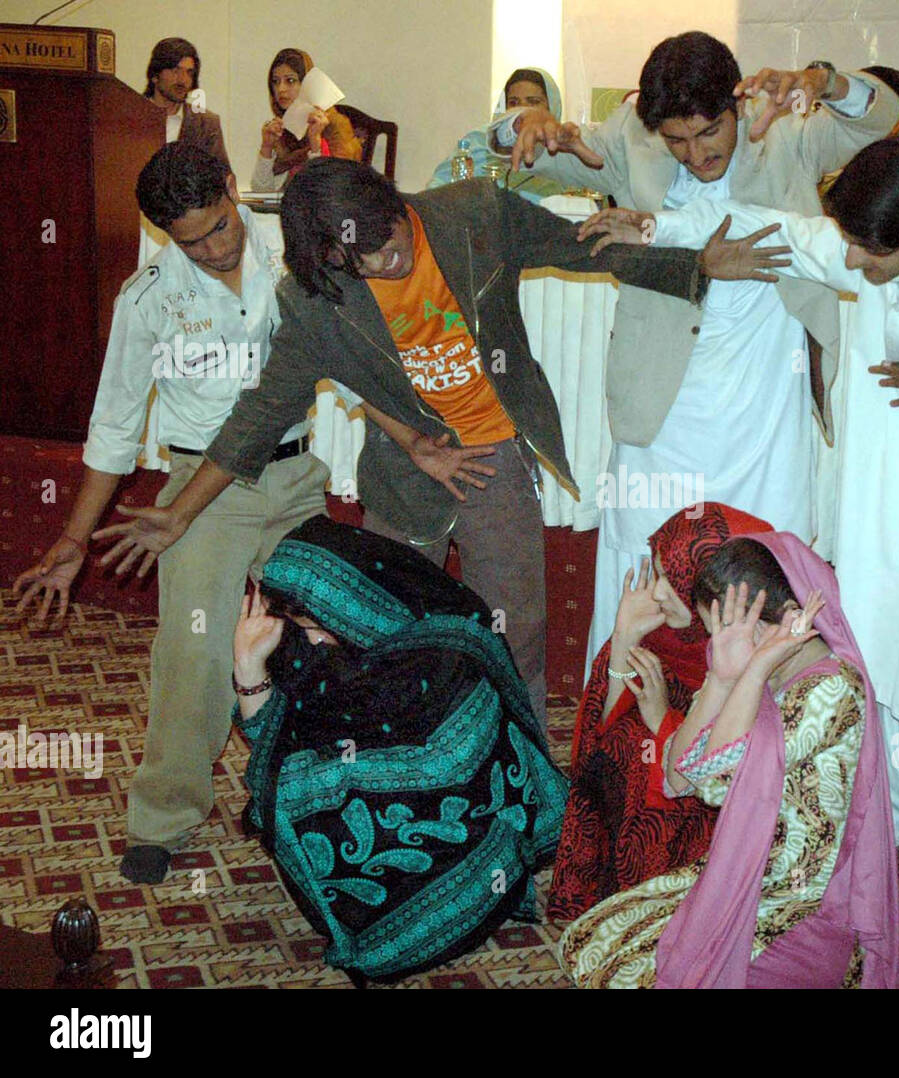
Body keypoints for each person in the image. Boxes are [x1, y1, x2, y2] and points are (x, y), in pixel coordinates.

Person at [580, 138, 899, 951]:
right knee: (884, 687)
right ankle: (881, 845)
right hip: (886, 537)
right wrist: (658, 222)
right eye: (848, 240)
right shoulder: (864, 258)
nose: (847, 259)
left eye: (867, 249)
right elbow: (770, 223)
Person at [89, 159, 724, 727]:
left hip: (493, 455)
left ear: (394, 203)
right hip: (401, 473)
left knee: (515, 632)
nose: (385, 264)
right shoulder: (312, 299)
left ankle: (526, 775)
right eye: (357, 262)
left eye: (388, 244)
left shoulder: (474, 213)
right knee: (389, 634)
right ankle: (411, 772)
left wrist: (695, 265)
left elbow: (583, 247)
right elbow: (259, 414)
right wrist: (178, 513)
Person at [492, 31, 899, 678]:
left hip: (766, 391)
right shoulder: (633, 134)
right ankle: (631, 721)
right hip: (662, 391)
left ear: (737, 107)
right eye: (677, 141)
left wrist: (823, 80)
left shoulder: (786, 129)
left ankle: (760, 731)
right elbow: (538, 157)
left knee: (765, 551)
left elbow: (882, 117)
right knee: (645, 550)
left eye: (709, 133)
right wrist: (523, 123)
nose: (694, 153)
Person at [12, 143, 329, 885]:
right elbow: (114, 428)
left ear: (229, 190)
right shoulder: (147, 297)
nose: (216, 249)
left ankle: (299, 796)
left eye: (222, 226)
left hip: (293, 476)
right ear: (163, 235)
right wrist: (73, 537)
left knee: (310, 643)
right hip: (197, 494)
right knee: (193, 652)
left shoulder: (295, 245)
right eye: (193, 241)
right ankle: (163, 815)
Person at [561, 533, 899, 989]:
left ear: (791, 619)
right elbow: (679, 775)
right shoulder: (751, 664)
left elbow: (720, 781)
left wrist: (753, 670)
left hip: (799, 901)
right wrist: (723, 678)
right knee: (585, 941)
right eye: (716, 632)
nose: (726, 643)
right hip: (741, 871)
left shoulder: (829, 690)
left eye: (740, 631)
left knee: (646, 978)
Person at [233, 516, 568, 983]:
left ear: (352, 605)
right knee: (296, 789)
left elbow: (444, 766)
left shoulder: (445, 658)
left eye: (313, 622)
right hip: (383, 814)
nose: (307, 638)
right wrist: (249, 668)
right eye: (298, 622)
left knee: (304, 790)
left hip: (462, 820)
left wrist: (320, 779)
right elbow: (268, 746)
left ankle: (455, 905)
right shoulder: (309, 643)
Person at [549, 502, 773, 922]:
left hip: (714, 806)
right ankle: (615, 896)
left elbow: (728, 769)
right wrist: (622, 639)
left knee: (643, 752)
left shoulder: (757, 646)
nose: (655, 593)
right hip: (675, 774)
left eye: (672, 580)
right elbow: (596, 740)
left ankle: (657, 909)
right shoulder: (666, 633)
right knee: (629, 743)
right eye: (658, 574)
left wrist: (662, 724)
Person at [428, 67, 568, 203]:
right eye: (513, 102)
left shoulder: (563, 150)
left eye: (533, 102)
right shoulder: (480, 140)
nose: (522, 109)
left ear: (551, 108)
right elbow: (437, 188)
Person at [251, 48, 362, 192]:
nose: (281, 89)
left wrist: (316, 143)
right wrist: (266, 147)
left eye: (290, 81)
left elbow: (330, 190)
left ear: (308, 84)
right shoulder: (281, 129)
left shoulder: (335, 126)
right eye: (275, 81)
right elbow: (261, 191)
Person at [143, 37, 229, 168]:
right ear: (155, 75)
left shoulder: (206, 124)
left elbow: (222, 178)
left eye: (189, 73)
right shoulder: (131, 117)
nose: (183, 80)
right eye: (175, 71)